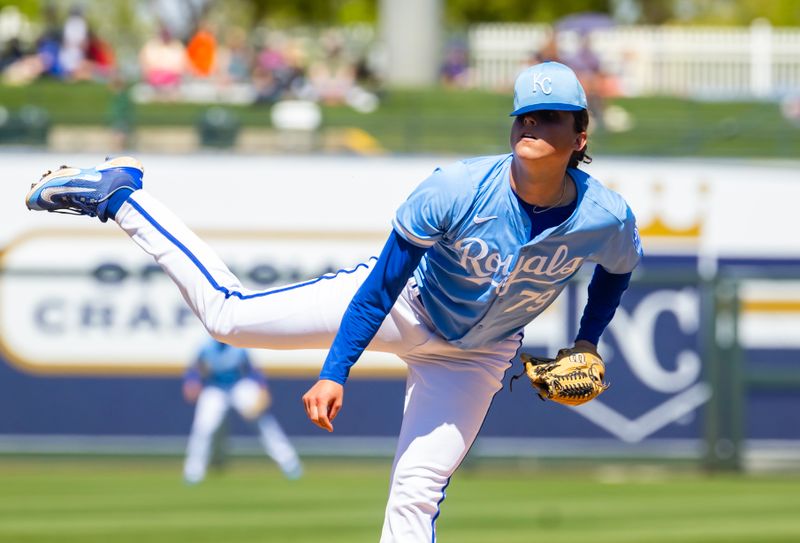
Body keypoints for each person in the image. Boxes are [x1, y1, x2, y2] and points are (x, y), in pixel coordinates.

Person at [25, 61, 642, 542]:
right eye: (524, 118)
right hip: (407, 307)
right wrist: (334, 371)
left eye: (551, 118)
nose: (533, 127)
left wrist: (588, 338)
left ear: (580, 133)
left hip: (477, 356)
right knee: (228, 316)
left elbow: (615, 272)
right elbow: (381, 286)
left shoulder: (604, 215)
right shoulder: (456, 189)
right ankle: (120, 197)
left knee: (417, 490)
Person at [182, 338, 303, 484]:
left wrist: (262, 389)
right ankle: (193, 472)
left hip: (238, 385)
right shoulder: (206, 347)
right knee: (204, 427)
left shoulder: (238, 346)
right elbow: (194, 371)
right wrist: (192, 382)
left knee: (262, 421)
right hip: (215, 388)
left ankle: (289, 463)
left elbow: (253, 371)